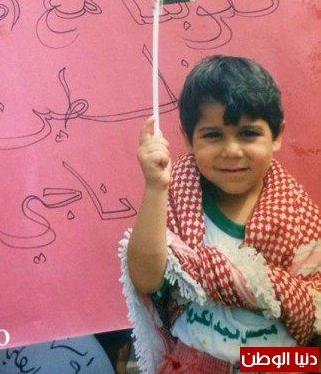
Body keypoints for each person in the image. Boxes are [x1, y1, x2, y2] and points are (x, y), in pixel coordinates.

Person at [120, 56, 320, 373]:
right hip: (194, 362)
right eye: (213, 135)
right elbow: (146, 279)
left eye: (248, 133)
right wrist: (155, 187)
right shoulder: (174, 202)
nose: (231, 151)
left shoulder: (299, 218)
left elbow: (313, 313)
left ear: (277, 135)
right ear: (188, 139)